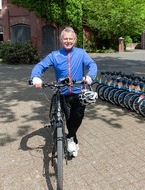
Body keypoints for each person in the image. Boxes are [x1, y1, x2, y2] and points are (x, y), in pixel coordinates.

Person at [30, 26, 98, 157]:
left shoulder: (81, 53)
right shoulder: (54, 55)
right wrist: (36, 77)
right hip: (63, 92)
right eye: (65, 39)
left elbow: (92, 65)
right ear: (61, 40)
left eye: (70, 39)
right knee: (68, 118)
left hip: (79, 91)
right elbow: (40, 66)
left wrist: (90, 77)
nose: (68, 41)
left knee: (77, 117)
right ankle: (71, 138)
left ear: (75, 40)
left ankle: (71, 137)